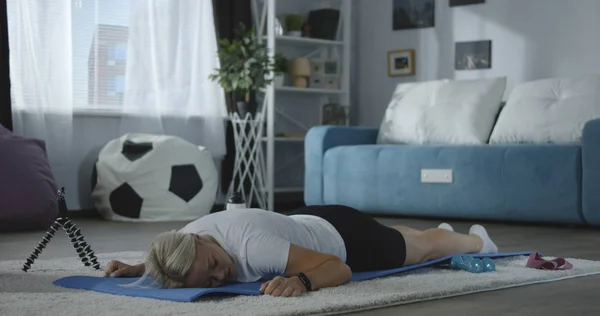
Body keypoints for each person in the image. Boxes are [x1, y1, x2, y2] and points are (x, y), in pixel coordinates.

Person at [104, 205, 498, 297]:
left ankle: (477, 241)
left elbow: (339, 268)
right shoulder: (186, 238)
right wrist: (137, 267)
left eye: (213, 267)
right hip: (307, 220)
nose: (219, 277)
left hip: (347, 239)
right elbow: (175, 263)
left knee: (421, 249)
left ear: (201, 241)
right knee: (405, 236)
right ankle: (442, 233)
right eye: (207, 281)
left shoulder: (255, 250)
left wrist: (302, 281)